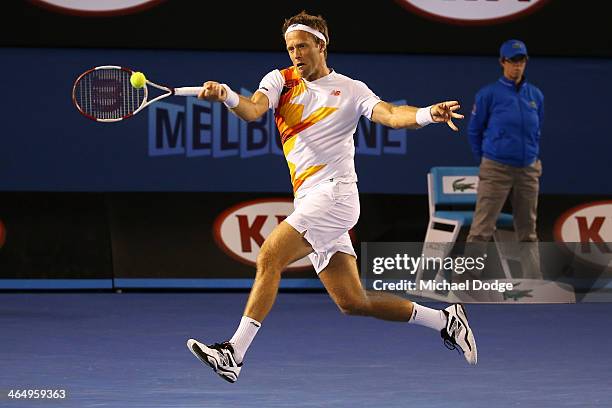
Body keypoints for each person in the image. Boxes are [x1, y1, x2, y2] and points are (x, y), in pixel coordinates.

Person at [187, 11, 477, 383]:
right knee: (353, 302)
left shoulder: (351, 89)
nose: (296, 55)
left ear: (321, 45)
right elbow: (254, 110)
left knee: (270, 256)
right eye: (291, 48)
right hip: (309, 200)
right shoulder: (281, 81)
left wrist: (426, 114)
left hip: (336, 195)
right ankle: (445, 319)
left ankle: (234, 352)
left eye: (303, 47)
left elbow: (389, 114)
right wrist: (227, 96)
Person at [466, 39, 544, 279]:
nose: (517, 66)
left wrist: (531, 155)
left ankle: (534, 282)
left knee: (527, 229)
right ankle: (467, 280)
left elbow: (536, 129)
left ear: (526, 63)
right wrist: (488, 160)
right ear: (502, 62)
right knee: (482, 228)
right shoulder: (488, 94)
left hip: (528, 169)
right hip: (496, 167)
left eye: (521, 61)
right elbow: (474, 131)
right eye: (512, 61)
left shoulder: (536, 96)